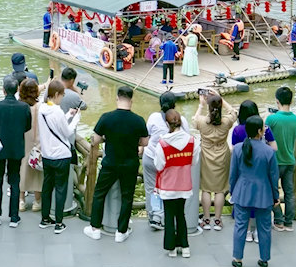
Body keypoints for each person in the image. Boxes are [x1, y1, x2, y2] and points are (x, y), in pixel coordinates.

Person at [84, 86, 149, 242]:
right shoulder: (138, 120)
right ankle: (121, 231)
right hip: (130, 163)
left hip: (110, 163)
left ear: (117, 98)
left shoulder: (107, 117)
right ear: (131, 100)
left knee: (100, 194)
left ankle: (95, 228)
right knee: (127, 197)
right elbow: (144, 142)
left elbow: (95, 140)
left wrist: (107, 136)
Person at [229, 115, 279, 267]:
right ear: (259, 131)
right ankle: (264, 259)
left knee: (240, 226)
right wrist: (275, 196)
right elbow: (273, 176)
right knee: (264, 227)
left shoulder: (238, 149)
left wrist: (233, 191)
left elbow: (233, 175)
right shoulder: (268, 151)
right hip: (263, 193)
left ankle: (238, 258)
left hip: (242, 192)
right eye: (263, 127)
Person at [153, 109, 199, 258]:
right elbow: (193, 161)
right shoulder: (192, 141)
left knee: (169, 215)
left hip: (167, 186)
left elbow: (159, 165)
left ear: (167, 123)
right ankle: (184, 246)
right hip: (184, 185)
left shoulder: (163, 143)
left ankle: (171, 247)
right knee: (181, 214)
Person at [143, 92, 190, 230]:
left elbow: (146, 135)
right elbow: (187, 138)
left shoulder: (153, 117)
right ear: (175, 104)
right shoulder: (181, 120)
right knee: (170, 190)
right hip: (171, 161)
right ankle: (170, 218)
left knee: (152, 188)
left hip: (151, 157)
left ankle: (155, 216)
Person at [0, 76, 32, 227]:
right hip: (16, 147)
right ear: (17, 90)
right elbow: (27, 126)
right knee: (14, 181)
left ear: (3, 90)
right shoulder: (24, 107)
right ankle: (14, 216)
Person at [196, 92, 238, 231]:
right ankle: (218, 220)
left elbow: (194, 119)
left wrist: (201, 104)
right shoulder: (226, 122)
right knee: (220, 190)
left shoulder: (202, 122)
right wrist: (222, 99)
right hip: (222, 155)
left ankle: (207, 219)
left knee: (206, 189)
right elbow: (233, 112)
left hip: (206, 155)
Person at [38, 80, 76, 234]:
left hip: (47, 155)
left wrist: (68, 114)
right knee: (60, 188)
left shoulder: (42, 108)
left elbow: (55, 124)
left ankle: (45, 218)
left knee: (47, 187)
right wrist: (76, 118)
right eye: (62, 95)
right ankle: (59, 222)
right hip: (61, 155)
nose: (62, 98)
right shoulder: (57, 111)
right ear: (56, 95)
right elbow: (67, 132)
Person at [266, 86, 296, 232]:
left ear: (277, 101)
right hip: (290, 161)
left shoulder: (271, 119)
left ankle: (278, 220)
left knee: (273, 192)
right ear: (291, 101)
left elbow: (265, 135)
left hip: (275, 161)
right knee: (289, 192)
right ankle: (289, 222)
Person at [18, 78, 44, 213]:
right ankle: (37, 201)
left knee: (22, 169)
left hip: (23, 141)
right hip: (38, 141)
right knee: (36, 171)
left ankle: (21, 201)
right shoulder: (41, 107)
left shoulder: (20, 106)